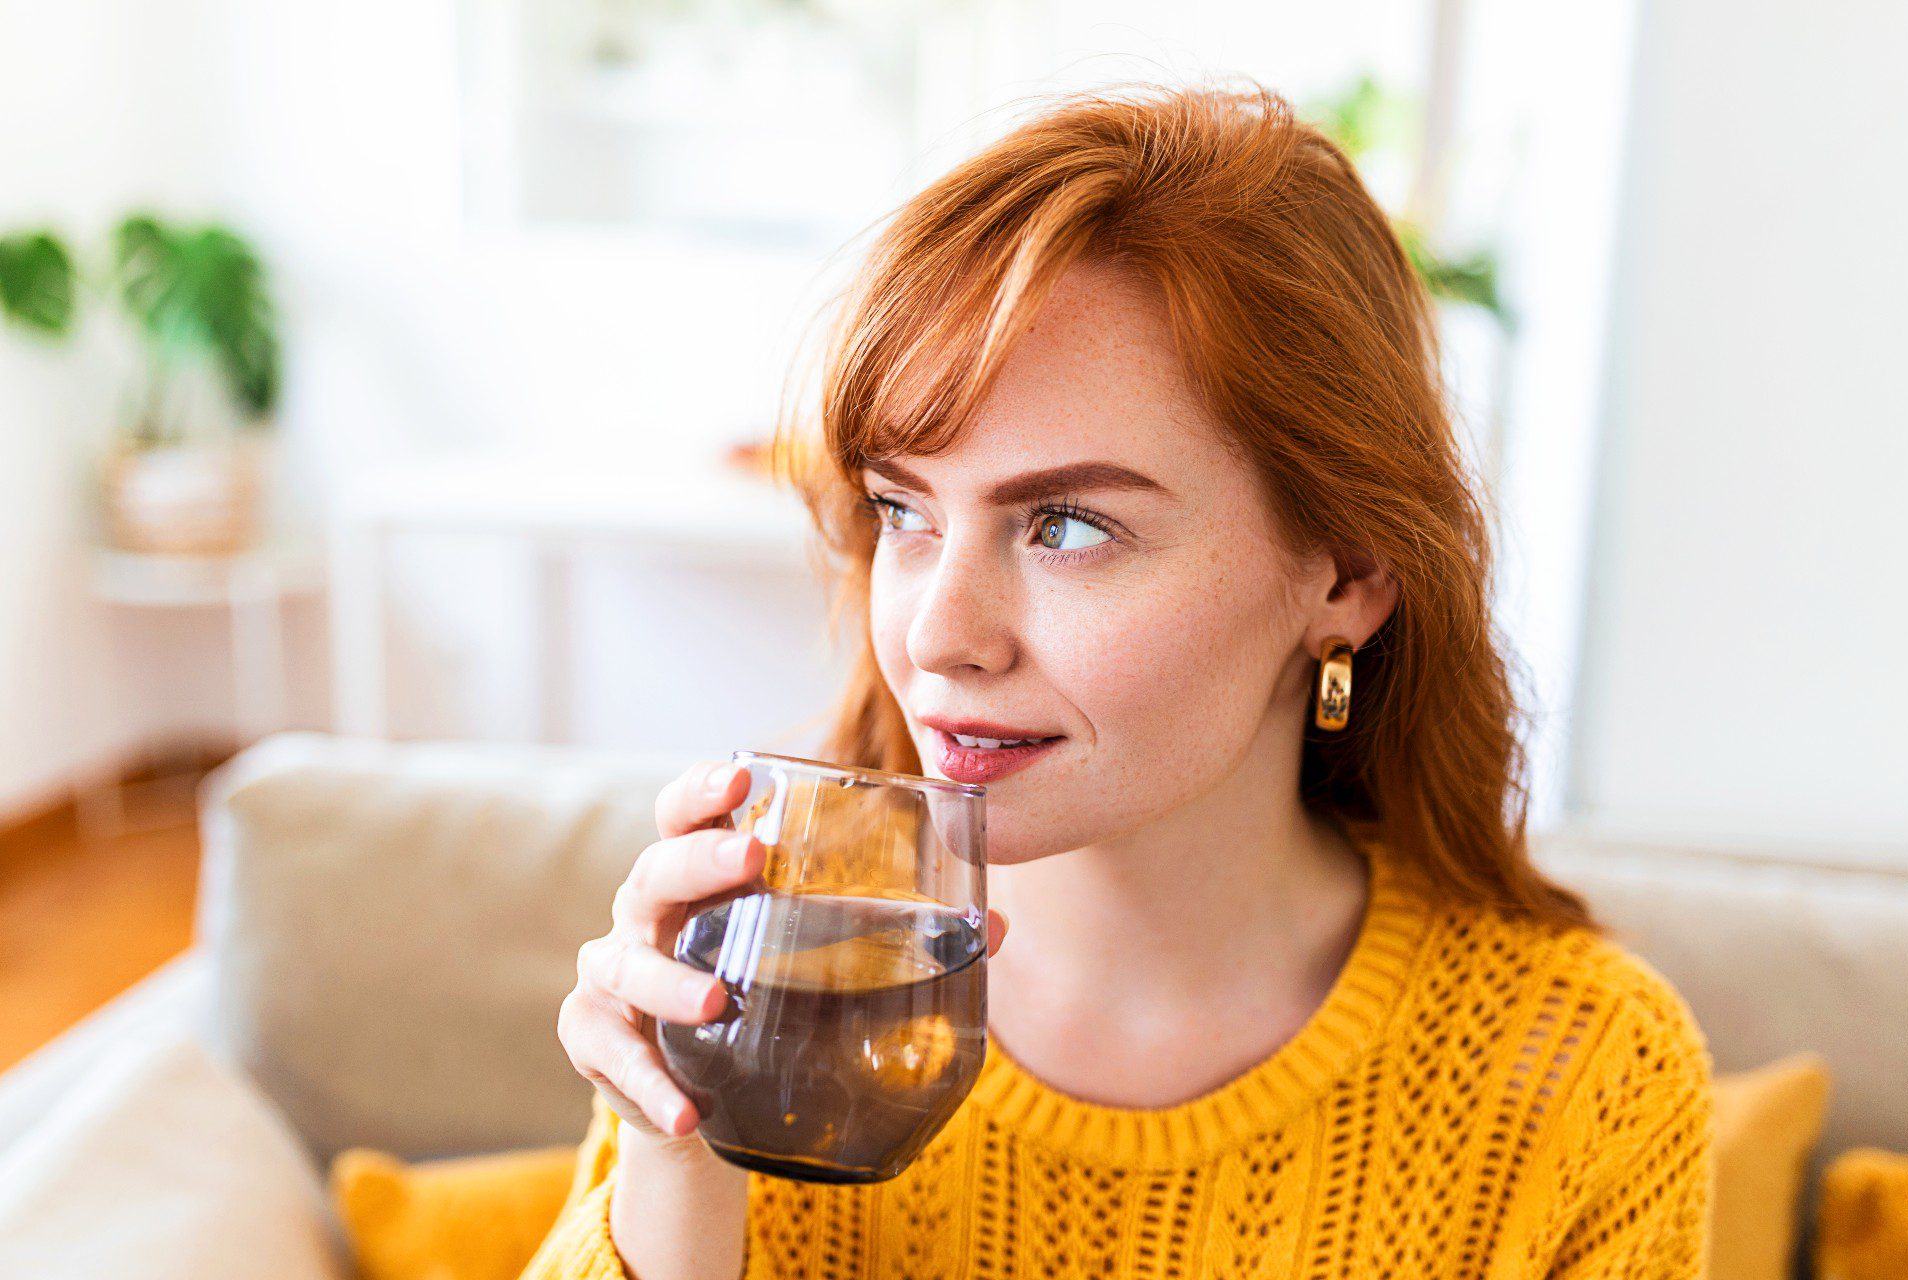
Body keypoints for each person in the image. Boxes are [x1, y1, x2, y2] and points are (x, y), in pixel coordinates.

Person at [525, 82, 1714, 1280]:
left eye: (1071, 526)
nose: (940, 635)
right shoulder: (767, 980)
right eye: (905, 509)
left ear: (1347, 573)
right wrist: (674, 1160)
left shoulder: (1587, 1077)